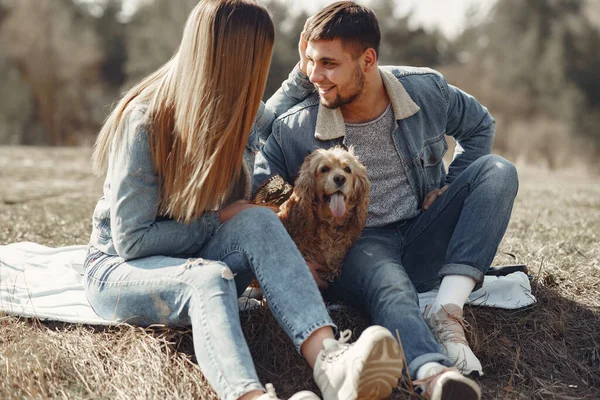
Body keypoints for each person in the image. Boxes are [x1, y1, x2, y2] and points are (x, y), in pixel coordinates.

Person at [83, 1, 406, 400]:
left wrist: (310, 62)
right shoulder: (146, 121)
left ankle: (332, 365)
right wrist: (216, 220)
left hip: (196, 252)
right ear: (233, 61)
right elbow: (131, 242)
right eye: (258, 60)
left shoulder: (240, 111)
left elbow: (279, 106)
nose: (261, 72)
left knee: (260, 221)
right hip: (120, 269)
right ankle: (251, 396)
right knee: (207, 278)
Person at [253, 2, 519, 399]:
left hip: (423, 227)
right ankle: (432, 374)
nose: (315, 75)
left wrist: (450, 185)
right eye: (309, 62)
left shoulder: (425, 89)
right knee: (392, 286)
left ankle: (447, 309)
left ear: (367, 60)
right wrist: (296, 252)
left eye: (328, 63)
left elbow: (480, 126)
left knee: (499, 171)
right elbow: (260, 180)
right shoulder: (298, 125)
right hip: (361, 245)